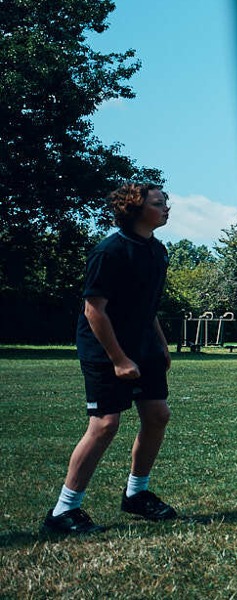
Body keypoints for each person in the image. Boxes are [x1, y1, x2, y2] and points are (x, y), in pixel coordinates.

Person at [44, 183, 180, 535]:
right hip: (104, 347)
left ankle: (136, 494)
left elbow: (147, 306)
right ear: (136, 210)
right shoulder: (110, 252)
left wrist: (161, 345)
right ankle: (63, 511)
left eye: (166, 202)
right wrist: (119, 359)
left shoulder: (157, 251)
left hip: (143, 345)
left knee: (157, 414)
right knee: (105, 425)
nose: (167, 208)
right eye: (159, 203)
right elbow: (94, 311)